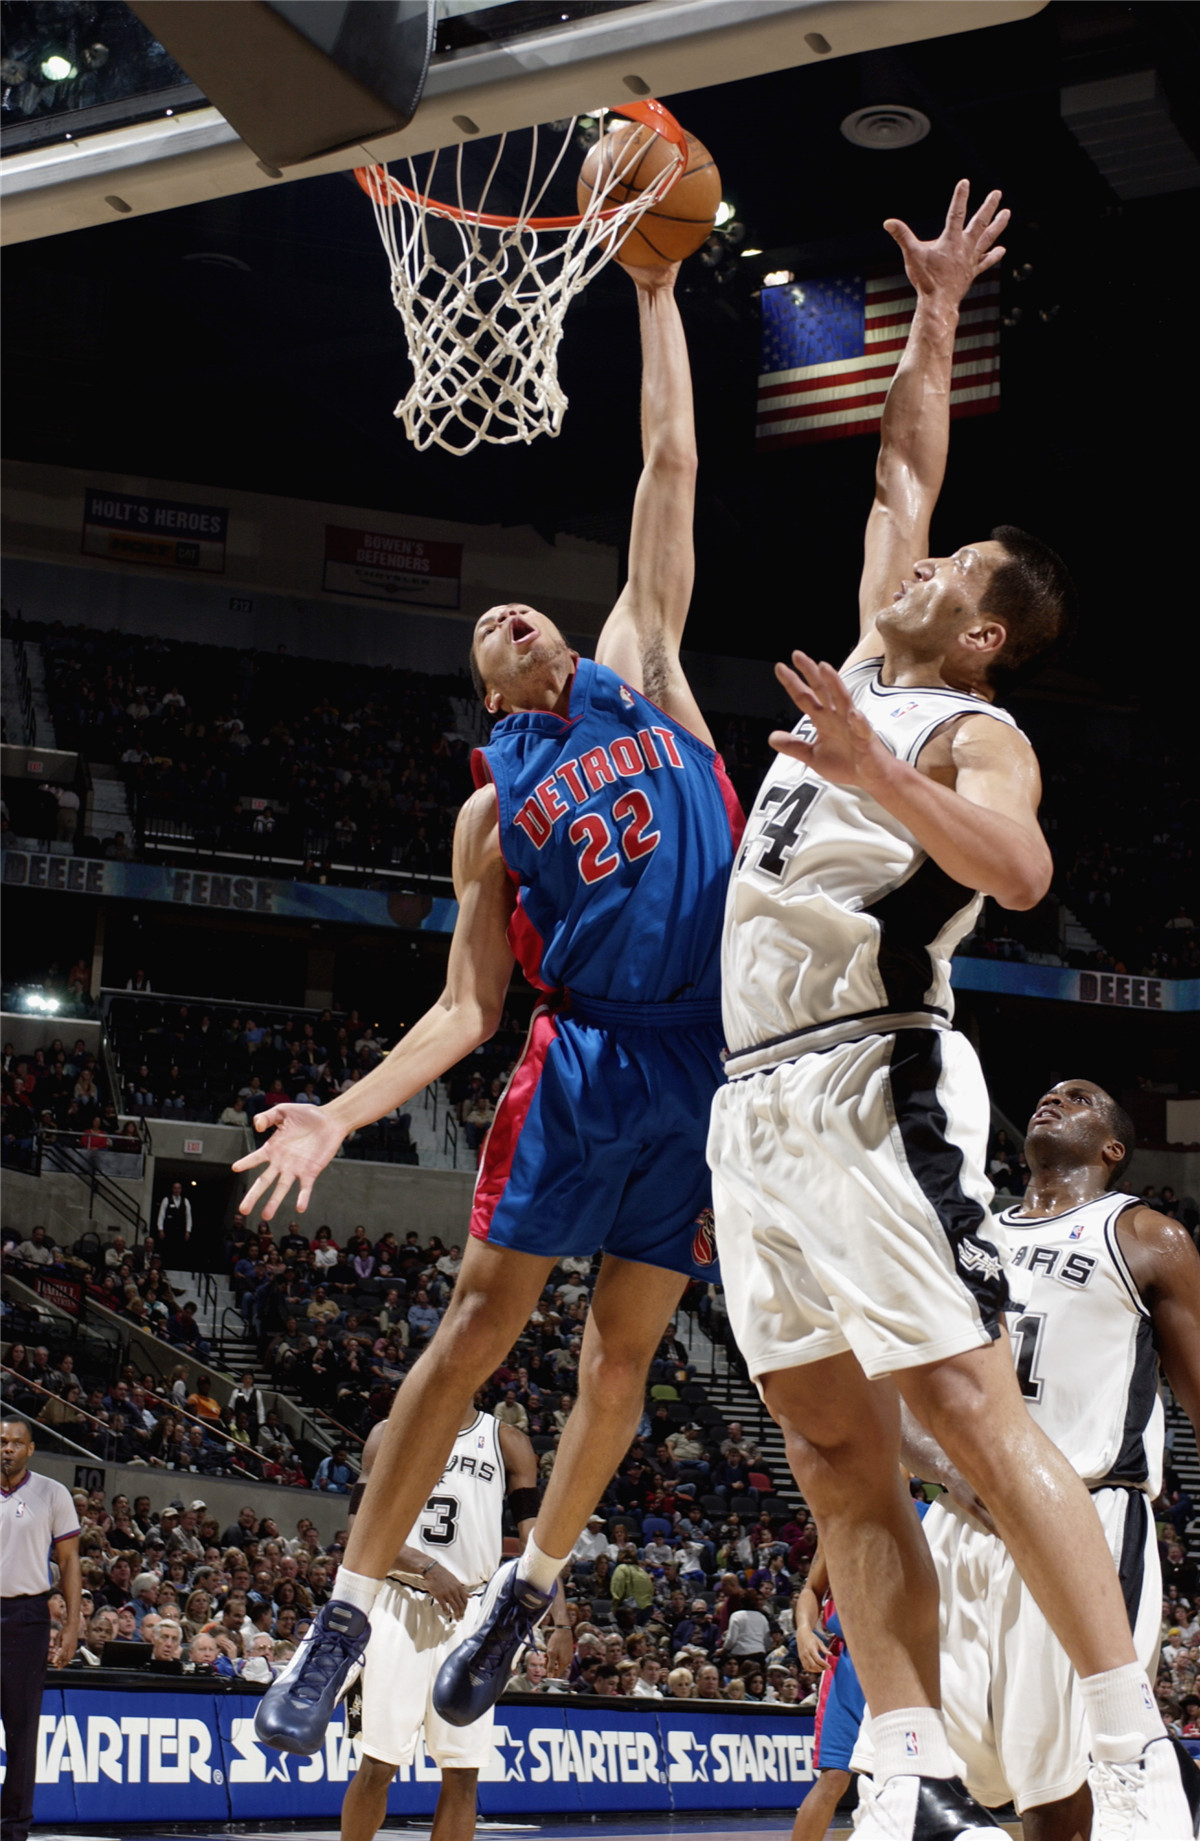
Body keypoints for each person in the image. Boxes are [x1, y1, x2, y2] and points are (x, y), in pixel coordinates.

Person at [707, 180, 1193, 1839]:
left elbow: (1026, 867)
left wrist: (869, 774)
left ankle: (1131, 1744)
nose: (919, 556)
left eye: (955, 568)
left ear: (979, 632)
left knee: (968, 1409)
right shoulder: (875, 641)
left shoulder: (964, 734)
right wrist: (931, 313)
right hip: (750, 1102)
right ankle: (903, 1738)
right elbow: (903, 462)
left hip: (873, 1072)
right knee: (835, 1454)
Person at [243, 258, 741, 1753]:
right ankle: (343, 1611)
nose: (507, 613)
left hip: (706, 1064)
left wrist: (655, 286)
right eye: (483, 629)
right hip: (582, 1059)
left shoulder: (646, 669)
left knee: (621, 1360)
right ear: (489, 690)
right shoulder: (490, 810)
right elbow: (466, 1009)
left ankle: (528, 1586)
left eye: (522, 606)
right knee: (471, 1335)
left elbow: (671, 460)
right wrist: (341, 1109)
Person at [866, 1080, 1200, 1839]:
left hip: (1084, 1511)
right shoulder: (968, 1231)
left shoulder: (1147, 1236)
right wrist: (949, 1470)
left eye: (1079, 1097)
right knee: (926, 1781)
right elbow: (894, 1389)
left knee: (1068, 1785)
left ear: (1114, 1147)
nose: (1053, 1099)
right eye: (1048, 1094)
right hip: (958, 1517)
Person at [336, 1395, 562, 1841]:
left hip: (472, 1615)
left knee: (463, 1771)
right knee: (378, 1763)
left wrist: (561, 1622)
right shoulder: (390, 1433)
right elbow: (358, 1533)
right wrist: (425, 1566)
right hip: (398, 1605)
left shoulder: (507, 1442)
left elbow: (540, 1549)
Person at [1, 1418, 81, 1841]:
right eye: (1, 1441)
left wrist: (71, 1625)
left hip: (27, 1617)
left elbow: (69, 1562)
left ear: (30, 1449)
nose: (7, 1448)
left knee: (21, 1729)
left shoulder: (53, 1492)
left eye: (16, 1442)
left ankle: (13, 1831)